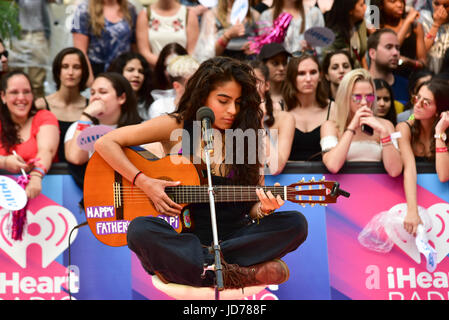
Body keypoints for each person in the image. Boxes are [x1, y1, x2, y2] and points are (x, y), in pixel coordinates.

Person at [94, 56, 308, 289]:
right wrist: (144, 182)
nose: (232, 110)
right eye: (223, 100)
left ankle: (205, 267)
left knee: (296, 223)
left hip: (234, 236)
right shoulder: (177, 125)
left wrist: (265, 208)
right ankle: (232, 271)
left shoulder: (249, 138)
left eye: (238, 102)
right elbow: (105, 143)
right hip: (182, 238)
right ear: (203, 96)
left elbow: (251, 209)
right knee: (140, 230)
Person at [64, 72, 142, 189]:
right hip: (96, 197)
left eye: (103, 92)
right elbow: (76, 158)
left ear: (121, 98)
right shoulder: (79, 126)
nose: (95, 97)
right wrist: (86, 116)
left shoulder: (139, 128)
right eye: (92, 93)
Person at [320, 68, 403, 177]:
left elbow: (395, 170)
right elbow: (333, 165)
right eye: (357, 97)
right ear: (345, 97)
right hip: (343, 191)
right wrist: (351, 128)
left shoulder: (386, 125)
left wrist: (383, 133)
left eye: (369, 97)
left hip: (378, 189)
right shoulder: (330, 126)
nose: (364, 102)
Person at [396, 78, 449, 236]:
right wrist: (412, 211)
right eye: (416, 98)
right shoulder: (405, 128)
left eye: (425, 102)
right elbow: (410, 169)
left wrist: (440, 132)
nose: (417, 105)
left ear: (439, 110)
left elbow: (444, 174)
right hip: (413, 201)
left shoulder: (445, 130)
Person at [0, 71, 59, 199]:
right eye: (14, 92)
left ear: (32, 95)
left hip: (46, 198)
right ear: (3, 96)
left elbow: (47, 150)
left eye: (26, 92)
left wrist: (36, 177)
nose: (21, 98)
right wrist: (4, 162)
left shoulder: (44, 117)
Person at [35, 47, 90, 163]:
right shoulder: (41, 105)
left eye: (76, 67)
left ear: (83, 72)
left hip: (82, 173)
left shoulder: (91, 107)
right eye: (65, 67)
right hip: (51, 172)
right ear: (57, 71)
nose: (70, 73)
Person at [71, 0, 138, 82]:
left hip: (123, 71)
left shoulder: (130, 9)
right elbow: (80, 50)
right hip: (95, 69)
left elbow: (134, 46)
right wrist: (89, 79)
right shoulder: (82, 9)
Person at [283, 53, 333, 161]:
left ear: (320, 76)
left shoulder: (334, 109)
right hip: (286, 176)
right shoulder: (278, 110)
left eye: (313, 72)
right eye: (301, 73)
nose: (308, 79)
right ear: (292, 77)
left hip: (325, 177)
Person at [248, 59, 295, 174]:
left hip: (273, 186)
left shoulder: (284, 118)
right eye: (246, 82)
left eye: (256, 81)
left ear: (267, 85)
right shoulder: (232, 115)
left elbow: (276, 167)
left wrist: (259, 123)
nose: (251, 87)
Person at [370, 0, 426, 78]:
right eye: (393, 1)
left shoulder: (415, 27)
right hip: (385, 79)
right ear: (381, 5)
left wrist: (408, 62)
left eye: (401, 1)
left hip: (409, 79)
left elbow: (423, 63)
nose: (399, 5)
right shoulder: (376, 28)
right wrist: (407, 23)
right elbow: (391, 49)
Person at [136, 0, 199, 67]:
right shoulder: (145, 14)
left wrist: (177, 66)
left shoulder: (189, 14)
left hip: (182, 71)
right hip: (155, 70)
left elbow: (192, 51)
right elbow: (144, 52)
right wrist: (166, 65)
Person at [193, 0, 260, 62]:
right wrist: (227, 36)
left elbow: (265, 47)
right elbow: (208, 53)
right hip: (222, 67)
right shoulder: (212, 15)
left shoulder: (254, 15)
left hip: (248, 65)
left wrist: (256, 46)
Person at [9, 0, 51, 98]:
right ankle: (12, 107)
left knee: (37, 80)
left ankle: (38, 108)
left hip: (38, 33)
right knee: (13, 75)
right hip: (18, 33)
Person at [259, 0, 325, 54]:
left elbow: (321, 49)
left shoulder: (314, 13)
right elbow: (265, 50)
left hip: (306, 65)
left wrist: (311, 49)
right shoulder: (267, 16)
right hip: (281, 66)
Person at [149, 55, 199, 120]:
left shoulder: (203, 107)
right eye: (192, 82)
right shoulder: (159, 108)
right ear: (177, 86)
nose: (198, 85)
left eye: (198, 80)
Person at [107, 52, 154, 120]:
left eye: (141, 71)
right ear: (119, 73)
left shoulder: (149, 103)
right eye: (130, 70)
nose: (137, 75)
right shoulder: (109, 100)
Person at [367, 28, 408, 107]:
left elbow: (412, 115)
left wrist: (408, 119)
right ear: (372, 53)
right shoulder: (359, 85)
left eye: (397, 48)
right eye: (388, 47)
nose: (395, 53)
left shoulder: (406, 86)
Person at [324, 0, 368, 68]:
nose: (365, 7)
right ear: (350, 10)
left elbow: (361, 55)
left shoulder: (361, 24)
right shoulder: (335, 35)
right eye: (361, 5)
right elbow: (327, 63)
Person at [257, 43, 291, 110]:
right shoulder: (256, 97)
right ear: (263, 65)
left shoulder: (295, 96)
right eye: (275, 63)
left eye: (284, 63)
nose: (281, 68)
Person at [419, 0, 449, 73]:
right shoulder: (422, 19)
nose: (440, 9)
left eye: (445, 6)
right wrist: (436, 25)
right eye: (437, 4)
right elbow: (421, 54)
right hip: (425, 74)